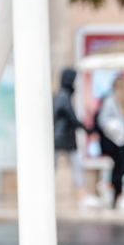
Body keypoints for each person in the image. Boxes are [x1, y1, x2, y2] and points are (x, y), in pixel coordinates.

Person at [93, 75, 124, 208]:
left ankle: (118, 192)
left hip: (123, 140)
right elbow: (103, 121)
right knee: (120, 164)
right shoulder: (109, 101)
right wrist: (116, 128)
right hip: (111, 141)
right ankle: (117, 194)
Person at [52, 68, 88, 207]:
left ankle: (82, 194)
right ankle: (82, 195)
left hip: (63, 137)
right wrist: (86, 128)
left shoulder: (62, 94)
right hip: (62, 137)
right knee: (61, 165)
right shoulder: (63, 95)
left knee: (72, 165)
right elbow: (70, 116)